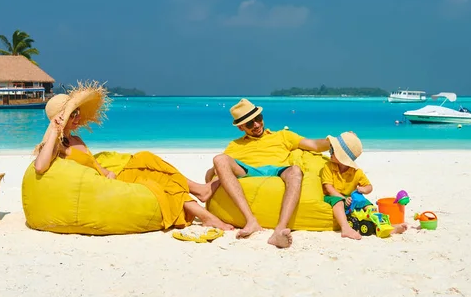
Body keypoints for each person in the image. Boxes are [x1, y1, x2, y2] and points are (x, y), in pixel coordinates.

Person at [34, 83, 232, 232]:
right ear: (60, 119)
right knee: (158, 182)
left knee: (147, 159)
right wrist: (54, 129)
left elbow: (92, 164)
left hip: (112, 176)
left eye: (77, 112)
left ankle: (201, 195)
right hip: (109, 185)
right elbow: (40, 166)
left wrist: (106, 172)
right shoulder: (58, 145)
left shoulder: (76, 138)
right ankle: (204, 209)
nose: (77, 117)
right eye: (72, 114)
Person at [206, 98, 330, 248]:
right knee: (219, 159)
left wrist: (337, 141)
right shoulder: (235, 145)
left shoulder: (283, 136)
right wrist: (212, 174)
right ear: (241, 128)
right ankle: (251, 221)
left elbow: (315, 145)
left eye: (258, 119)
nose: (257, 125)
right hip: (249, 171)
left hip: (277, 170)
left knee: (296, 170)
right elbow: (217, 171)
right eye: (250, 124)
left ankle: (280, 229)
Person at [321, 131, 408, 239]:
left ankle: (388, 226)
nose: (330, 151)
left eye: (333, 150)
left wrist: (363, 189)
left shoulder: (356, 172)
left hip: (351, 198)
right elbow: (328, 188)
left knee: (369, 206)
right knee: (338, 202)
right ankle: (345, 228)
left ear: (341, 156)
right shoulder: (328, 167)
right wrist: (342, 198)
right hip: (333, 197)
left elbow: (369, 187)